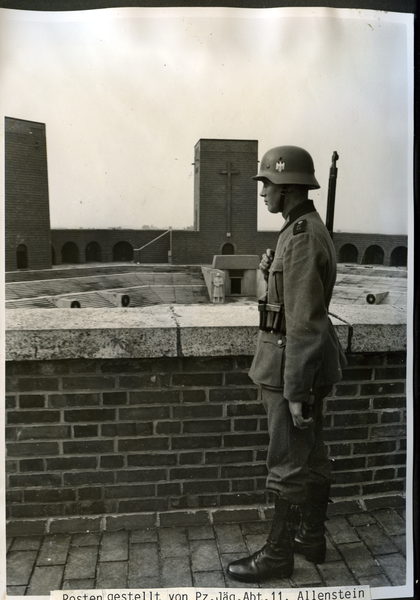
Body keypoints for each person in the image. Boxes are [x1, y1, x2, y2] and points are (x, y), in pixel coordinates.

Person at [227, 145, 347, 583]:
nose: (263, 193)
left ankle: (278, 555)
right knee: (312, 455)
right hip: (298, 366)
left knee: (287, 462)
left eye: (268, 185)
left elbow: (304, 323)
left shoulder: (301, 236)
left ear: (288, 187)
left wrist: (296, 392)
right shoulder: (300, 231)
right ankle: (311, 537)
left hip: (290, 371)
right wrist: (271, 271)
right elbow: (292, 302)